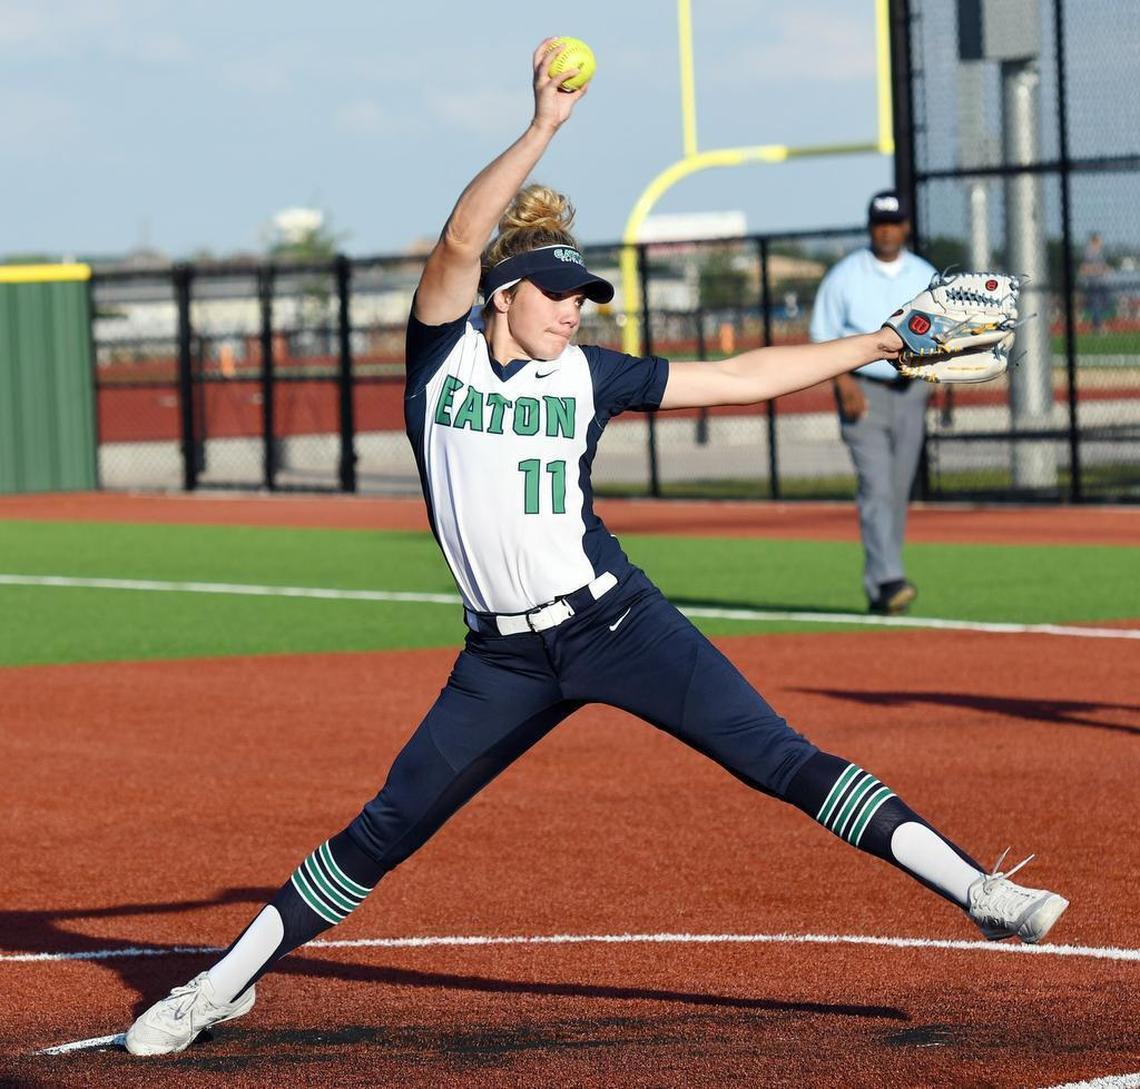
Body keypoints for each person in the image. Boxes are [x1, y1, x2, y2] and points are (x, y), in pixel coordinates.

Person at [124, 42, 1068, 1057]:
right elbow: (456, 238)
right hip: (503, 662)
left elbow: (740, 376)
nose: (575, 308)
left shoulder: (589, 375)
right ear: (502, 297)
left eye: (583, 296)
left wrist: (881, 344)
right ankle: (217, 988)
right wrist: (541, 129)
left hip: (618, 622)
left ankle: (979, 888)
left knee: (780, 759)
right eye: (558, 293)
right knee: (386, 827)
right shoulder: (439, 361)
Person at [810, 191, 937, 615]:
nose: (887, 230)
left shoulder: (925, 275)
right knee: (877, 487)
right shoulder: (844, 276)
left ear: (905, 227)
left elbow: (947, 335)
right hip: (863, 390)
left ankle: (883, 583)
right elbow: (824, 336)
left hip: (913, 388)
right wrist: (843, 383)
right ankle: (888, 579)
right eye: (880, 223)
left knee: (898, 491)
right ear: (870, 227)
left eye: (894, 222)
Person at [1079, 232, 1111, 332]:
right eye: (1100, 240)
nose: (1102, 242)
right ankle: (1098, 325)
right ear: (1095, 241)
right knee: (1096, 304)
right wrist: (1100, 269)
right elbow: (1084, 268)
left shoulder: (1099, 252)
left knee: (1103, 304)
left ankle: (1096, 324)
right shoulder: (1089, 252)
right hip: (1094, 282)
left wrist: (1106, 268)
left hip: (1102, 282)